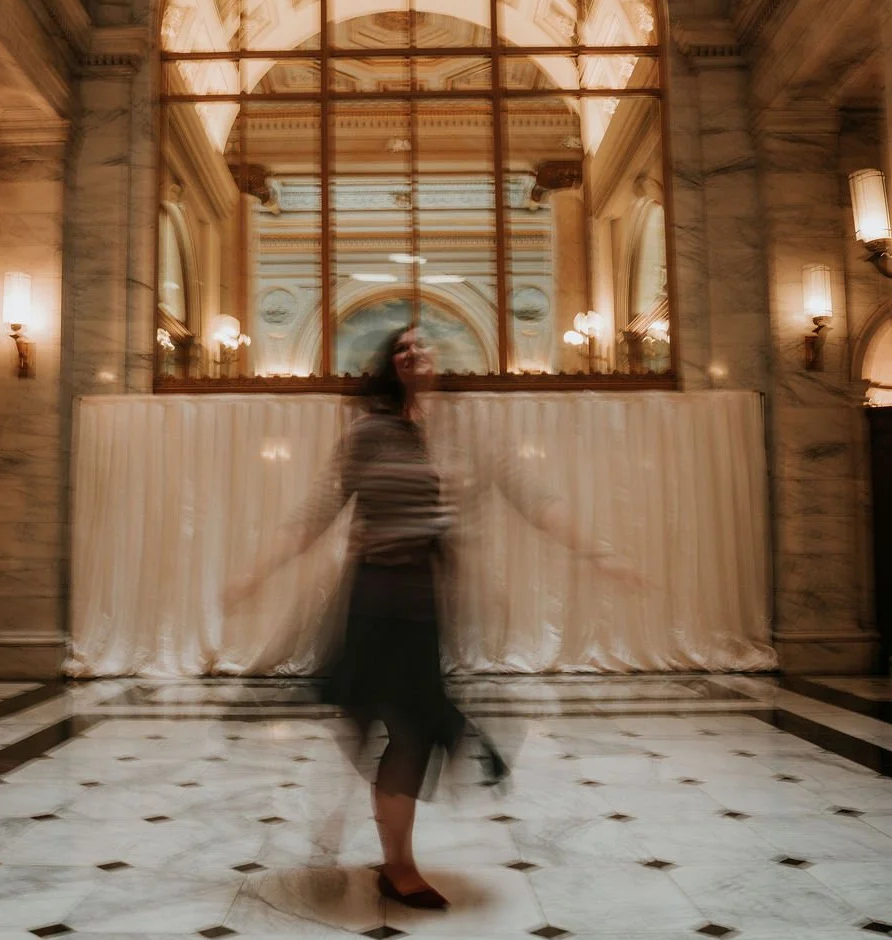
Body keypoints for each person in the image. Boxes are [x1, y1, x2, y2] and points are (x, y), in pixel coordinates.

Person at [225, 325, 640, 909]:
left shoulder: (461, 435)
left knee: (403, 732)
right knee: (399, 730)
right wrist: (255, 572)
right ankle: (396, 863)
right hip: (374, 602)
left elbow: (532, 497)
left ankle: (388, 853)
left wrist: (598, 553)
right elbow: (316, 510)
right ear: (390, 364)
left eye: (422, 345)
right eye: (401, 347)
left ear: (438, 359)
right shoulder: (369, 434)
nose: (413, 352)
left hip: (425, 606)